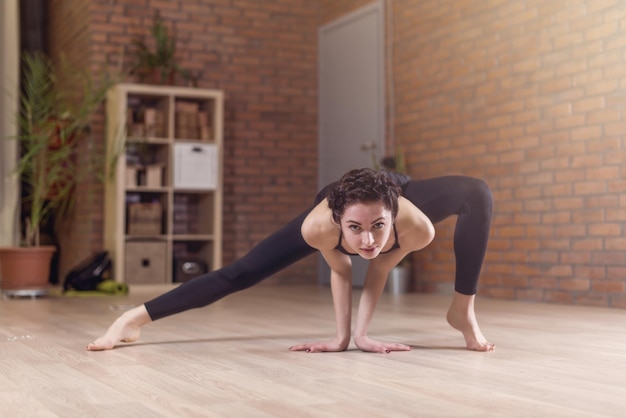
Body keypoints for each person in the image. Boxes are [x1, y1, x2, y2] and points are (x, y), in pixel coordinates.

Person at [87, 168, 494, 352]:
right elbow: (343, 269)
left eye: (379, 229)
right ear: (339, 224)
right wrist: (341, 338)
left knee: (476, 191)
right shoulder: (320, 227)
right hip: (340, 198)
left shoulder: (416, 227)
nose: (368, 242)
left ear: (394, 217)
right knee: (243, 271)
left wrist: (362, 335)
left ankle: (463, 312)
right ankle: (132, 319)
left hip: (387, 189)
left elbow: (381, 265)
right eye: (355, 231)